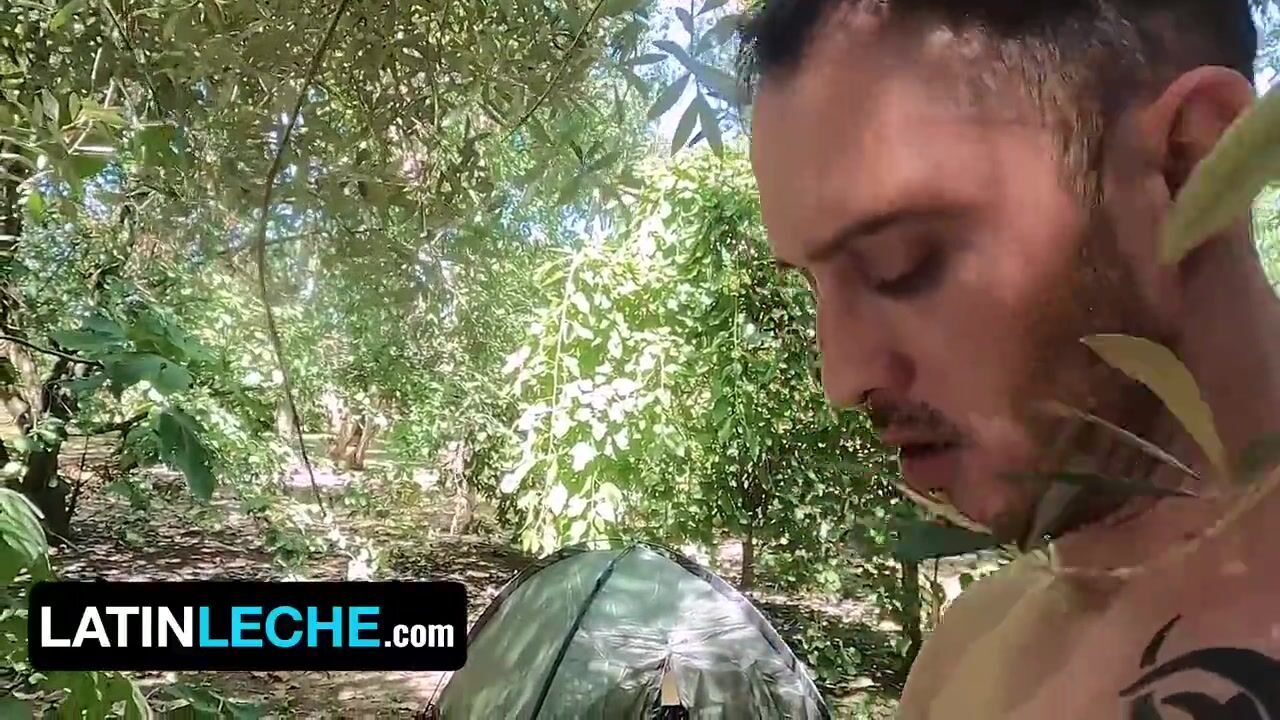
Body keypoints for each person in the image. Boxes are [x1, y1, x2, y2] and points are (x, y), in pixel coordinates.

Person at [740, 1, 1280, 717]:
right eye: (814, 286)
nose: (842, 377)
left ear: (1191, 164)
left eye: (901, 262)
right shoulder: (968, 648)